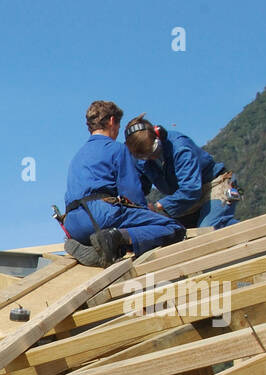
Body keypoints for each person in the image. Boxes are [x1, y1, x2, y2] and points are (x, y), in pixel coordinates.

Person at [62, 100, 185, 267]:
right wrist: (149, 214)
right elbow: (132, 195)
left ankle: (94, 249)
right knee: (172, 227)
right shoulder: (117, 149)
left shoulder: (76, 157)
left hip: (73, 224)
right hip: (100, 216)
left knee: (106, 238)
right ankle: (116, 238)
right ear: (112, 121)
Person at [123, 115, 239, 230]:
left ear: (158, 135)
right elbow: (139, 187)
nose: (152, 157)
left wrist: (159, 205)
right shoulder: (141, 158)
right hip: (186, 200)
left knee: (207, 231)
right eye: (145, 156)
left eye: (153, 150)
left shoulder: (180, 148)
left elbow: (191, 189)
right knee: (173, 234)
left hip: (213, 186)